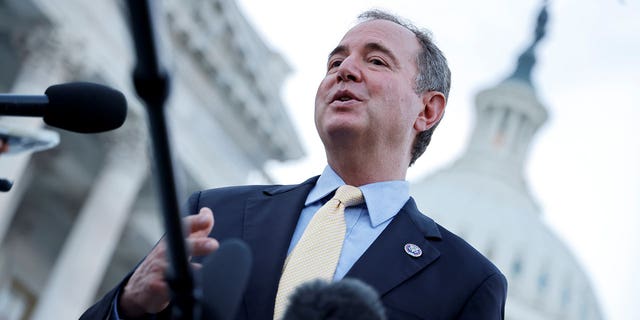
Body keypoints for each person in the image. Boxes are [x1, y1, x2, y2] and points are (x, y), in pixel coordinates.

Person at [81, 9, 507, 320]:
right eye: (335, 62)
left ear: (428, 110)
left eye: (375, 61)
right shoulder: (216, 213)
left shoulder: (465, 281)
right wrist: (127, 306)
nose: (346, 71)